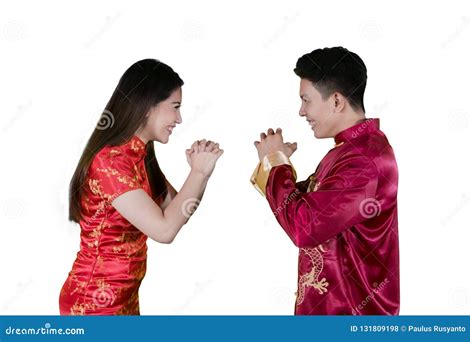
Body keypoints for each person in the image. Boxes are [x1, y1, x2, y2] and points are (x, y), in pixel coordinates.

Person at [60, 59, 223, 315]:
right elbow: (164, 231)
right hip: (93, 303)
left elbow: (176, 212)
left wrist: (201, 176)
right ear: (148, 106)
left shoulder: (140, 155)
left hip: (124, 298)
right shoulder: (110, 162)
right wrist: (198, 172)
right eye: (175, 107)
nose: (179, 118)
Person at [251, 47, 399, 315]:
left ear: (336, 101)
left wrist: (275, 163)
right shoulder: (348, 151)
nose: (301, 111)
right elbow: (307, 207)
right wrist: (277, 164)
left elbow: (304, 226)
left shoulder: (362, 158)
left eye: (306, 100)